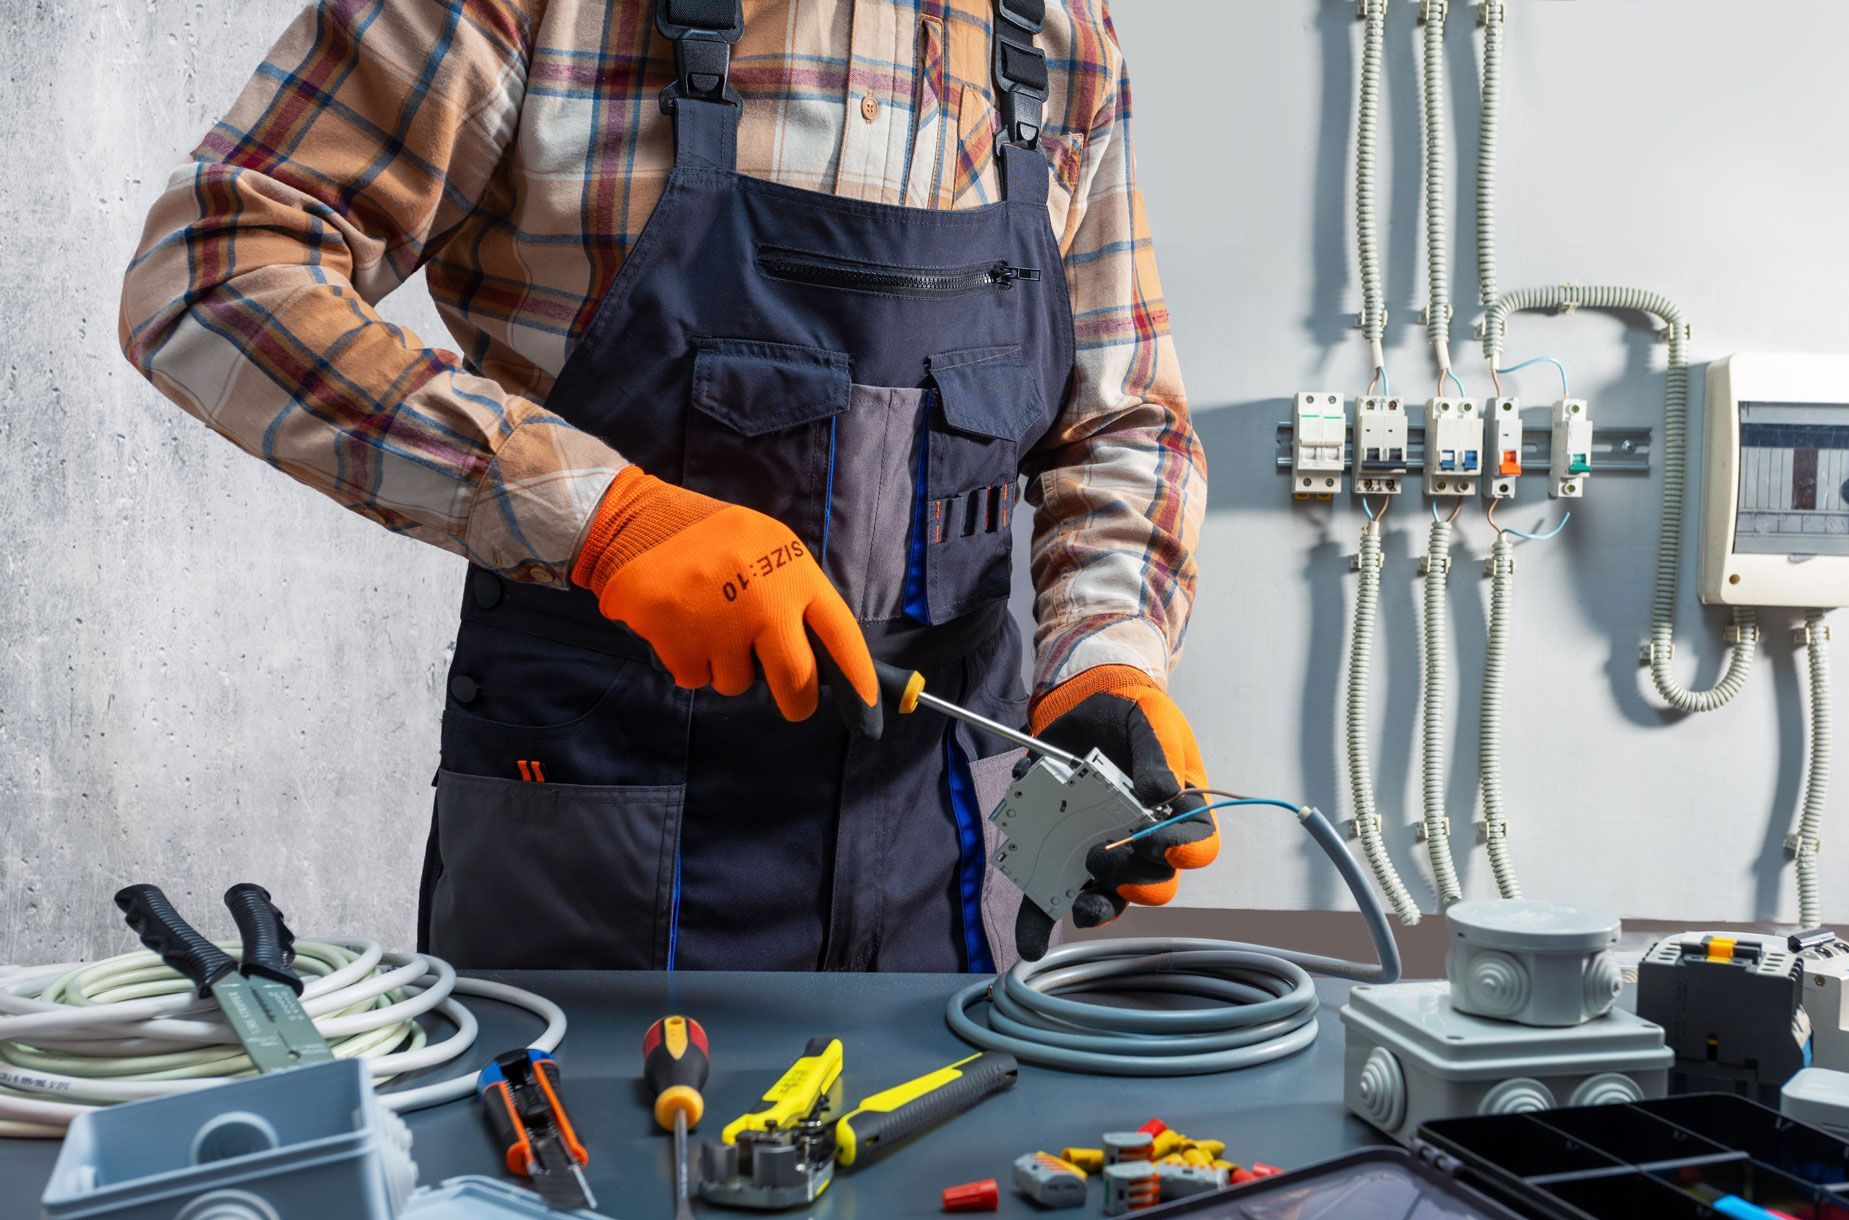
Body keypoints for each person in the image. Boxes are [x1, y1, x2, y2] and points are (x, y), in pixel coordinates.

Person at [119, 0, 1211, 973]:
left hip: (948, 858)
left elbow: (1122, 420)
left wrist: (1107, 657)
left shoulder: (1060, 33)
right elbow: (213, 271)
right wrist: (605, 516)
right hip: (597, 852)